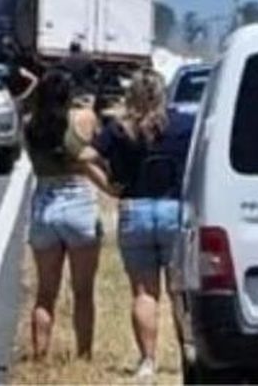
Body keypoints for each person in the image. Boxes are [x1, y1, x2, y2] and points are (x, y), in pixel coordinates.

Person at [93, 70, 195, 383]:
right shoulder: (183, 125)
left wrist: (109, 186)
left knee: (143, 293)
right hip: (173, 212)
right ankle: (186, 356)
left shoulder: (120, 129)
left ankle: (148, 361)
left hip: (134, 210)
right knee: (179, 292)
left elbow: (84, 155)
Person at [24, 68, 110, 360]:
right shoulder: (83, 119)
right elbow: (96, 148)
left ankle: (40, 354)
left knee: (45, 291)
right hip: (78, 203)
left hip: (44, 204)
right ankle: (84, 354)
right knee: (83, 291)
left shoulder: (30, 125)